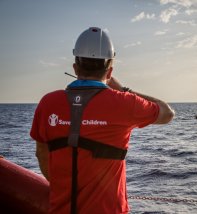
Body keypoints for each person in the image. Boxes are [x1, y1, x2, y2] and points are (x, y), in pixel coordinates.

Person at [30, 27, 175, 214]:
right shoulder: (124, 103)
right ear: (110, 71)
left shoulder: (47, 103)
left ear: (75, 67)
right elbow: (167, 113)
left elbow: (41, 153)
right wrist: (123, 90)